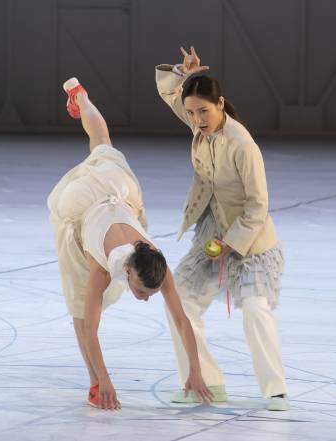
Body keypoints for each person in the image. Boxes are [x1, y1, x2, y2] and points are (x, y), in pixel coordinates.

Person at [47, 77, 213, 410]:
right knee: (81, 312)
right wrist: (105, 380)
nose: (144, 299)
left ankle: (80, 95)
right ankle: (93, 384)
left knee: (101, 140)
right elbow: (91, 329)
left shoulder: (156, 263)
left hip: (120, 190)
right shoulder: (101, 268)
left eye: (147, 294)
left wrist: (196, 370)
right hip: (85, 203)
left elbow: (182, 320)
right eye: (140, 291)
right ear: (127, 269)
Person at [155, 47, 290, 411]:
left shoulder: (243, 145)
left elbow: (258, 205)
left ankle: (275, 389)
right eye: (192, 113)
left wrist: (231, 244)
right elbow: (171, 95)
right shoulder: (198, 123)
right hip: (211, 234)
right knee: (179, 301)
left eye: (204, 110)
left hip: (250, 240)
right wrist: (185, 76)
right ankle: (206, 383)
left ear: (220, 104)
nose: (197, 119)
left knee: (254, 307)